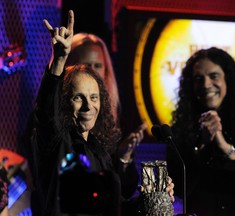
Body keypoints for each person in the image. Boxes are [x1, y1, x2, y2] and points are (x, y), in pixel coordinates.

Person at [28, 10, 174, 215]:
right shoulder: (57, 141)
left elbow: (116, 208)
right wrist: (59, 60)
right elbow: (47, 113)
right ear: (63, 101)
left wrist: (152, 199)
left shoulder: (100, 151)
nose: (88, 106)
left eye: (94, 98)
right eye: (78, 97)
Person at [167, 47, 235, 216]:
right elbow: (179, 189)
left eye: (214, 76)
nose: (206, 85)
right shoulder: (180, 131)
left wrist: (225, 148)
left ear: (228, 79)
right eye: (198, 78)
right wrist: (202, 145)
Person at [65, 33, 147, 199]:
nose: (93, 72)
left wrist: (124, 158)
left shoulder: (115, 123)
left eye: (98, 65)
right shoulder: (56, 120)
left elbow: (124, 191)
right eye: (86, 65)